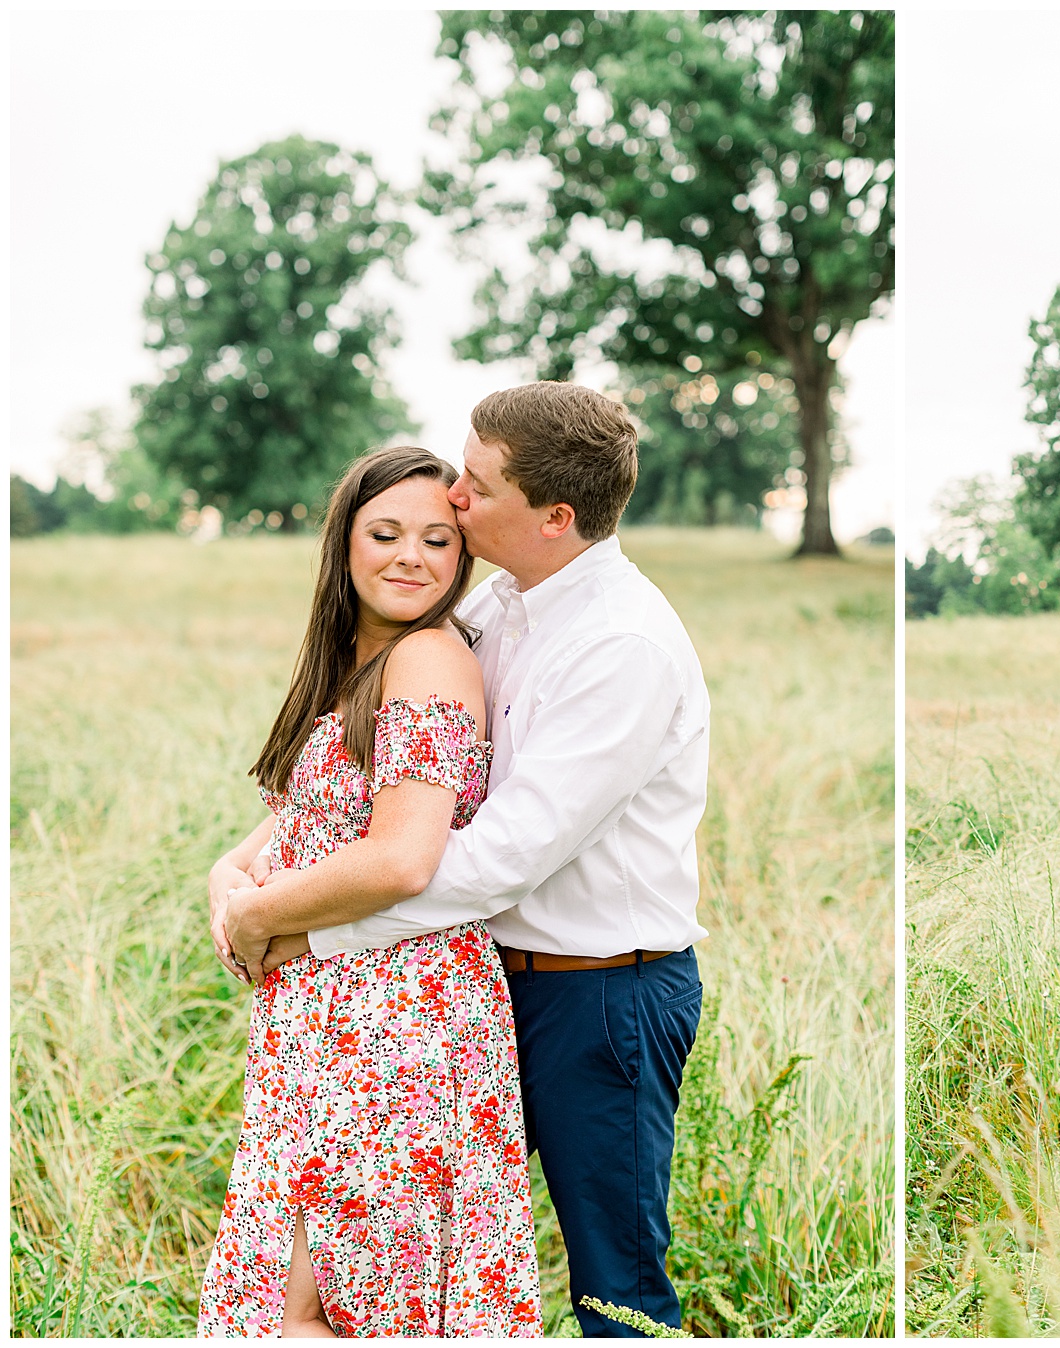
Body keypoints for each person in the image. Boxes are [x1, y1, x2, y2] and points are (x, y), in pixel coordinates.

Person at [228, 382, 710, 1337]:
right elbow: (367, 777)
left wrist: (302, 927)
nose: (454, 499)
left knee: (614, 1279)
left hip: (600, 994)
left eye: (477, 487)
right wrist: (247, 867)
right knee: (415, 1248)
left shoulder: (622, 644)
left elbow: (495, 858)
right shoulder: (504, 602)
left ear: (555, 517)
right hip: (473, 981)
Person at [198, 446, 541, 1337]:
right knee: (299, 1293)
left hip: (395, 1022)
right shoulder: (357, 663)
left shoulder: (427, 659)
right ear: (343, 543)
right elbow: (314, 818)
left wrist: (257, 916)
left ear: (462, 557)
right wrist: (226, 876)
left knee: (332, 1303)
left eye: (437, 540)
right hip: (323, 1020)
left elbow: (400, 859)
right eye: (385, 533)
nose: (410, 558)